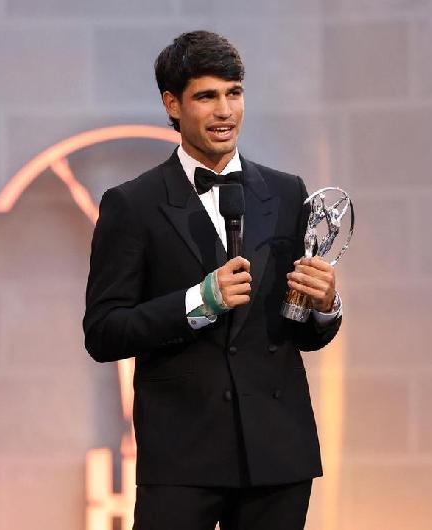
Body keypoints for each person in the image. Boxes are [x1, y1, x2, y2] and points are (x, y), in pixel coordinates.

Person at [83, 30, 342, 530]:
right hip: (182, 457)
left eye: (234, 93)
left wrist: (324, 304)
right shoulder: (132, 205)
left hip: (277, 455)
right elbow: (103, 332)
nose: (225, 111)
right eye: (207, 96)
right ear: (172, 104)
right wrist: (199, 302)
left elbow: (306, 336)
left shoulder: (289, 194)